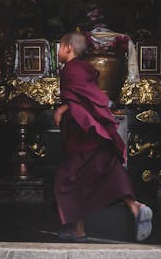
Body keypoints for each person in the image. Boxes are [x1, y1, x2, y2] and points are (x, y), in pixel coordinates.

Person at [53, 31, 153, 242]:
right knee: (110, 172)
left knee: (68, 179)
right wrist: (67, 106)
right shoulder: (84, 68)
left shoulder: (70, 70)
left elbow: (80, 96)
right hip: (95, 132)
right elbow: (87, 95)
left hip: (84, 132)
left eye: (61, 47)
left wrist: (64, 108)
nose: (58, 52)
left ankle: (77, 230)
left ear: (69, 48)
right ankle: (137, 207)